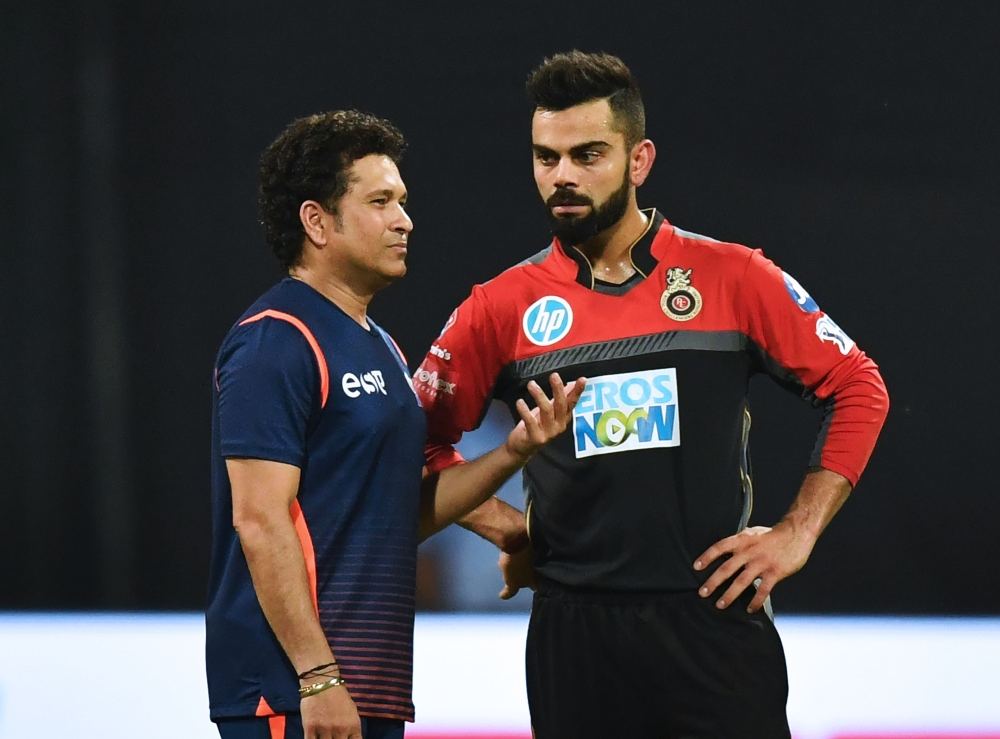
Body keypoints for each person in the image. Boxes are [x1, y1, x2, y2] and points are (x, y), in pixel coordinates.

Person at [414, 52, 889, 738]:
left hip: (713, 627)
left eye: (588, 154)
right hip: (573, 637)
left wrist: (798, 531)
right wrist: (507, 525)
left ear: (639, 160)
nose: (563, 176)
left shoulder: (733, 276)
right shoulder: (499, 306)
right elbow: (414, 440)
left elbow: (858, 384)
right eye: (546, 158)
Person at [205, 110, 584, 739]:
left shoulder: (378, 345)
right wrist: (318, 677)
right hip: (290, 692)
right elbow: (259, 519)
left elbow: (396, 518)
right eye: (381, 201)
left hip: (368, 685)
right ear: (316, 222)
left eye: (403, 201)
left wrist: (512, 454)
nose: (405, 220)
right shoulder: (275, 339)